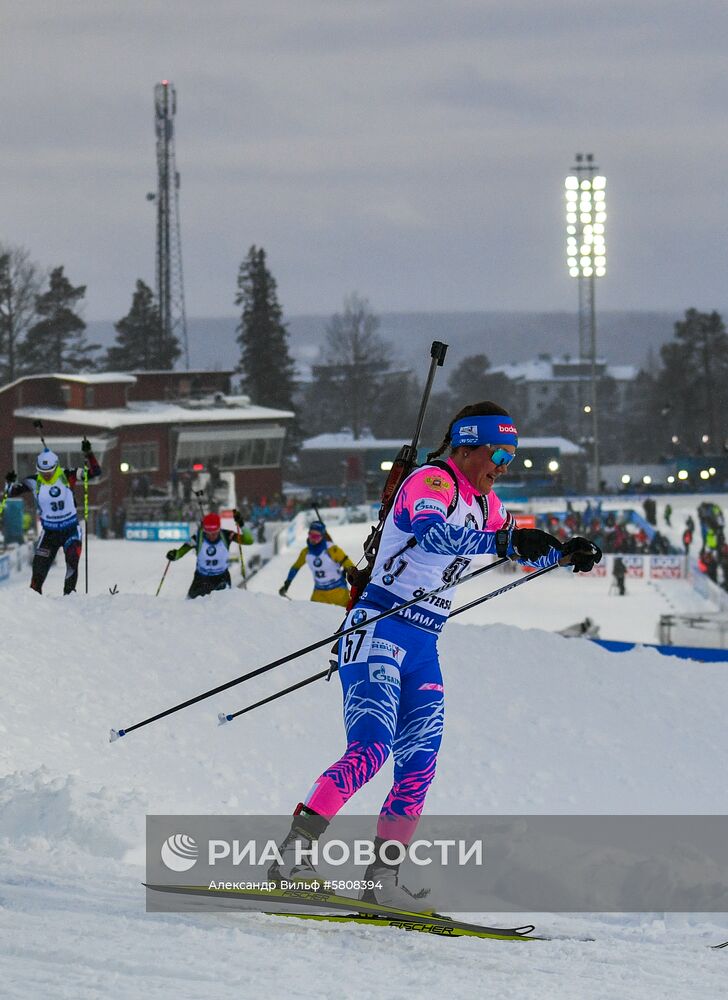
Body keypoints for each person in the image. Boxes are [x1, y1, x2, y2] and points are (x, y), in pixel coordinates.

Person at [268, 401, 602, 907]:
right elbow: (436, 534)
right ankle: (292, 857)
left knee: (419, 763)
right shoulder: (433, 482)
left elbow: (514, 543)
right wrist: (508, 539)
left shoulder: (488, 505)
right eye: (500, 452)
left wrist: (564, 551)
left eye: (512, 456)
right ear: (468, 446)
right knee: (371, 749)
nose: (504, 465)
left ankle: (381, 879)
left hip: (424, 642)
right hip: (377, 627)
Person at [4, 440, 101, 595]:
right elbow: (10, 492)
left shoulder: (67, 474)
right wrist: (8, 482)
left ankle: (69, 597)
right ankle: (34, 604)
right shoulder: (34, 480)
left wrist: (89, 454)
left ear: (56, 466)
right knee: (38, 571)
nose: (47, 475)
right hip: (49, 533)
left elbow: (95, 472)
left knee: (72, 562)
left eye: (50, 471)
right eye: (43, 472)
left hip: (71, 530)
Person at [166, 510, 253, 599]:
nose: (212, 536)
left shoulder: (227, 535)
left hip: (221, 579)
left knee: (223, 608)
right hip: (201, 579)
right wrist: (174, 555)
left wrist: (241, 524)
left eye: (215, 532)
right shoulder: (197, 537)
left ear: (219, 528)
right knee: (190, 608)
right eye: (208, 533)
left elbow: (249, 540)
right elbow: (180, 552)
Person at [279, 520, 354, 608]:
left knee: (346, 616)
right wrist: (287, 583)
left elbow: (349, 564)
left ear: (322, 536)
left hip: (338, 591)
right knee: (313, 615)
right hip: (319, 592)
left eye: (316, 536)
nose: (313, 539)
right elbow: (295, 567)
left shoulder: (332, 549)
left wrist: (347, 570)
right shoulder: (306, 552)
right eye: (311, 535)